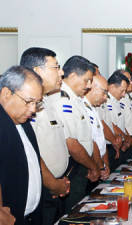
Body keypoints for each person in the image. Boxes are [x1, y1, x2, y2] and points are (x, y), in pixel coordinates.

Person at [20, 47, 70, 225]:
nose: (61, 72)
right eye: (56, 67)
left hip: (55, 187)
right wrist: (53, 184)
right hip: (41, 189)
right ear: (37, 71)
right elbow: (30, 153)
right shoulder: (25, 106)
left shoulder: (46, 101)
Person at [55, 56, 100, 213]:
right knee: (73, 214)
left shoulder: (76, 100)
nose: (88, 86)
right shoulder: (64, 101)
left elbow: (87, 137)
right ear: (73, 76)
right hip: (73, 169)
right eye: (86, 81)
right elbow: (72, 144)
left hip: (83, 165)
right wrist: (93, 166)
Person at [0, 66, 44, 225]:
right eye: (29, 101)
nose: (33, 110)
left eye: (37, 103)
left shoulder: (21, 120)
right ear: (6, 94)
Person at [83, 74, 110, 182]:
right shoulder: (82, 108)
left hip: (99, 165)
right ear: (92, 88)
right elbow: (91, 142)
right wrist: (100, 167)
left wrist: (106, 164)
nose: (105, 97)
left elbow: (101, 140)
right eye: (104, 92)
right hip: (91, 167)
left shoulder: (93, 109)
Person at [104, 71, 132, 170]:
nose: (124, 94)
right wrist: (126, 138)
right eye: (122, 91)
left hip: (120, 145)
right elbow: (111, 125)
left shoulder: (116, 101)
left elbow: (120, 124)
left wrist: (127, 138)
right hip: (111, 147)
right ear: (112, 87)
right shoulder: (106, 101)